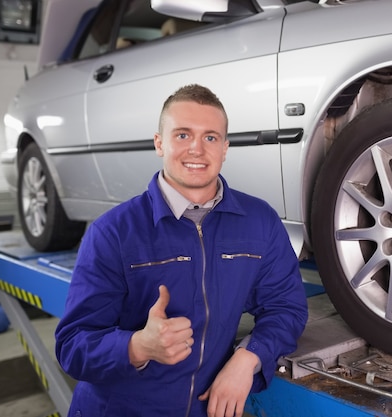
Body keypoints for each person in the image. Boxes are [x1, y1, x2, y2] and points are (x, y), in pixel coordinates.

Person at [55, 84, 308, 417]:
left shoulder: (259, 222)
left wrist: (248, 359)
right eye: (183, 135)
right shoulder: (113, 232)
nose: (197, 150)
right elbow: (72, 346)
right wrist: (137, 347)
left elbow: (286, 307)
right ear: (159, 143)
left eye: (210, 137)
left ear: (226, 147)